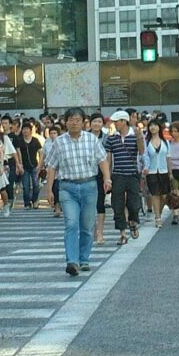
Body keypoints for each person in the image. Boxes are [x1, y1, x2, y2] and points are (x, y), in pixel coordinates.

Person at [43, 107, 111, 276]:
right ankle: (72, 261)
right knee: (71, 223)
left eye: (77, 119)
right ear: (65, 122)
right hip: (67, 188)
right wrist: (49, 189)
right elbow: (51, 166)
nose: (74, 122)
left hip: (89, 186)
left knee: (87, 226)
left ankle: (84, 259)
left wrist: (107, 178)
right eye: (70, 119)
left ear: (83, 122)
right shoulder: (59, 141)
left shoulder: (91, 140)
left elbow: (102, 160)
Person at [105, 110, 145, 244]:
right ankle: (122, 233)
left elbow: (141, 151)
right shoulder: (111, 138)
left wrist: (139, 136)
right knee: (117, 205)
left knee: (134, 203)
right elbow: (108, 158)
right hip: (117, 175)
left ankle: (133, 221)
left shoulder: (135, 136)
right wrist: (108, 177)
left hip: (132, 174)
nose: (115, 124)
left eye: (117, 122)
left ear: (124, 121)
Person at [143, 118, 171, 228]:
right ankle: (158, 217)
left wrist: (170, 172)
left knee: (164, 196)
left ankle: (158, 212)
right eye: (151, 125)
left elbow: (168, 157)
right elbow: (144, 156)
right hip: (152, 171)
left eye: (155, 125)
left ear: (159, 127)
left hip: (164, 171)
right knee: (155, 194)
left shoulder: (166, 142)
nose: (153, 127)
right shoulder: (146, 142)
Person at [18, 121, 43, 208]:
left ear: (30, 130)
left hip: (34, 166)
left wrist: (40, 164)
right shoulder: (20, 141)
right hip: (24, 167)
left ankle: (35, 200)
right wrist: (19, 165)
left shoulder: (35, 141)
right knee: (26, 186)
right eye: (24, 129)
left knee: (36, 185)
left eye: (27, 129)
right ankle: (27, 203)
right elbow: (17, 153)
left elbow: (41, 153)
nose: (25, 131)